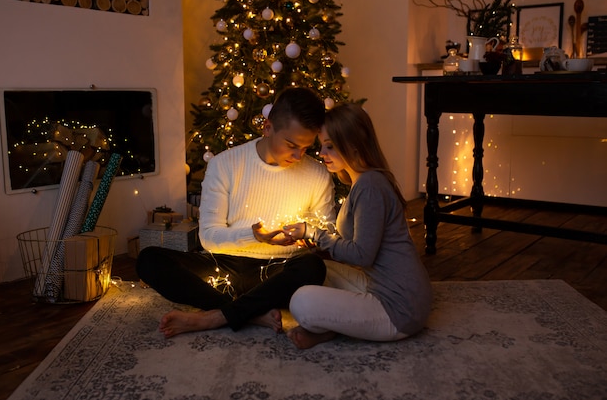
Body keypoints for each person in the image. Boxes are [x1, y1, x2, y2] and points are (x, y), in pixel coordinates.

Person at [136, 87, 335, 337]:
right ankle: (252, 312)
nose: (297, 156)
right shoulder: (225, 164)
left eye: (306, 148)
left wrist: (308, 237)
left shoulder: (317, 175)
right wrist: (254, 236)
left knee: (313, 267)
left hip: (277, 272)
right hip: (224, 266)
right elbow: (207, 237)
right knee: (149, 260)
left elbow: (325, 234)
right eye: (291, 145)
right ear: (267, 127)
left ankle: (216, 316)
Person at [278, 102, 432, 349]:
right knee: (316, 268)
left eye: (329, 146)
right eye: (321, 146)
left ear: (352, 145)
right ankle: (335, 327)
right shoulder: (362, 181)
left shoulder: (369, 186)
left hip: (400, 308)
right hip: (381, 286)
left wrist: (313, 232)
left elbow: (362, 255)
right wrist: (314, 241)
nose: (320, 153)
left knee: (301, 302)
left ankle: (333, 327)